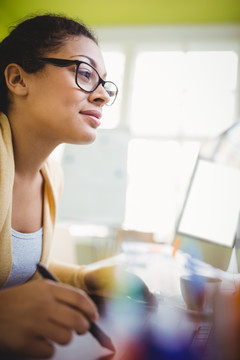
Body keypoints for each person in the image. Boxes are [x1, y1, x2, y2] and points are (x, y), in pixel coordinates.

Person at [0, 13, 155, 359]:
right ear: (17, 78)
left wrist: (85, 277)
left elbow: (21, 271)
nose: (101, 96)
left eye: (104, 84)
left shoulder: (51, 174)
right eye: (85, 74)